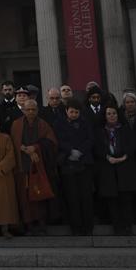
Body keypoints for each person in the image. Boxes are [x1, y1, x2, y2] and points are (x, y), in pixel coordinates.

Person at [10, 100, 58, 236]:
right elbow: (13, 143)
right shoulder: (16, 124)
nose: (30, 112)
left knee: (39, 195)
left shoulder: (43, 124)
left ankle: (41, 224)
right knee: (24, 197)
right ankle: (28, 224)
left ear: (37, 110)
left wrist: (35, 148)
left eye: (33, 109)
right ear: (23, 110)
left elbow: (52, 142)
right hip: (22, 167)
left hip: (39, 167)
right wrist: (22, 147)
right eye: (28, 109)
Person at [95, 106, 136, 236]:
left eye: (114, 113)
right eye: (108, 113)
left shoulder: (125, 129)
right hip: (108, 168)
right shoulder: (100, 131)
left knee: (126, 199)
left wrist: (124, 156)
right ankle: (117, 226)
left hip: (125, 167)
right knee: (112, 200)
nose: (111, 116)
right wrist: (108, 157)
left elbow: (133, 144)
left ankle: (128, 226)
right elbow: (97, 147)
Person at [55, 101, 95, 236]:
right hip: (68, 163)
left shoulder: (85, 123)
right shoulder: (59, 123)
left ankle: (88, 227)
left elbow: (90, 139)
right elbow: (59, 140)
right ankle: (76, 227)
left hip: (84, 163)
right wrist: (70, 151)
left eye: (76, 112)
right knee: (72, 197)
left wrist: (80, 151)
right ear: (66, 111)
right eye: (71, 111)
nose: (73, 114)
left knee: (86, 196)